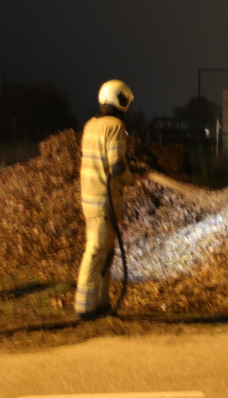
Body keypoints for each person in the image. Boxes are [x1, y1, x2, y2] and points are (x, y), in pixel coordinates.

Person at [75, 80, 146, 320]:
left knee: (106, 252)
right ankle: (84, 306)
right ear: (118, 100)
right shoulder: (115, 126)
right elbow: (116, 167)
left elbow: (102, 161)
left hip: (89, 196)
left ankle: (102, 303)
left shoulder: (90, 125)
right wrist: (133, 178)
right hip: (104, 200)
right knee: (97, 250)